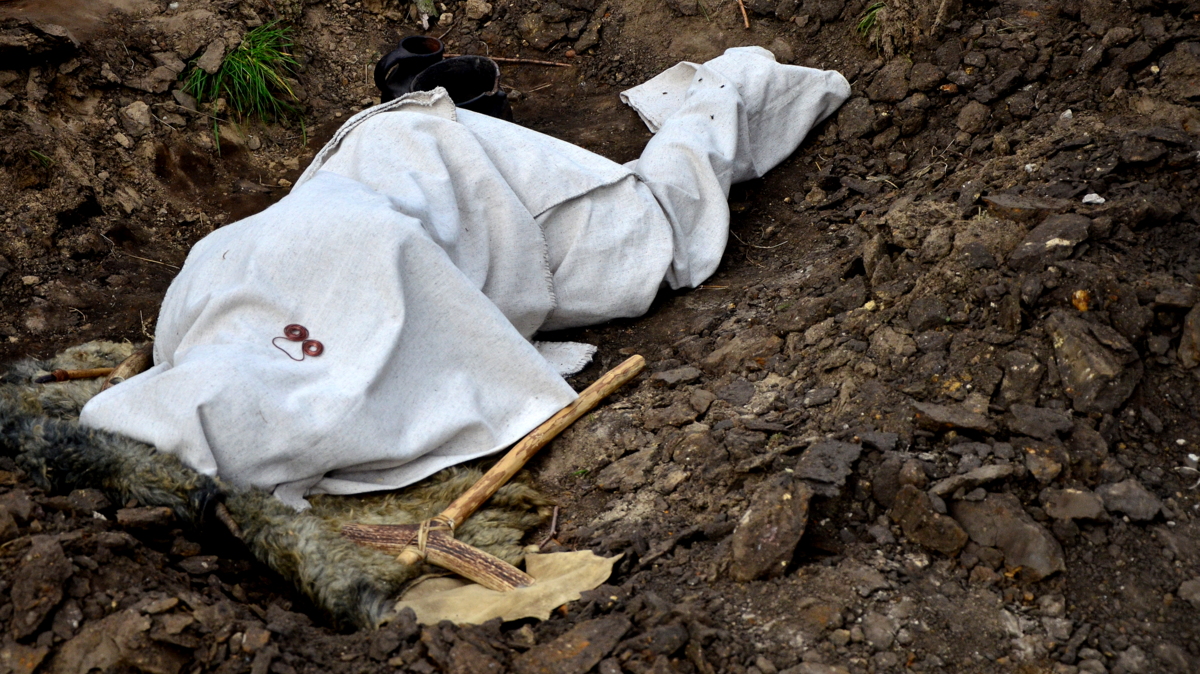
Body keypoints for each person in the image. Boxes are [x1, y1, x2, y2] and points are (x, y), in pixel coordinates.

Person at [79, 47, 850, 509]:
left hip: (473, 189)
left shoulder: (308, 393)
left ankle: (734, 84)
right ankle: (456, 106)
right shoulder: (187, 316)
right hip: (376, 153)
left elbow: (452, 349)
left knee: (664, 236)